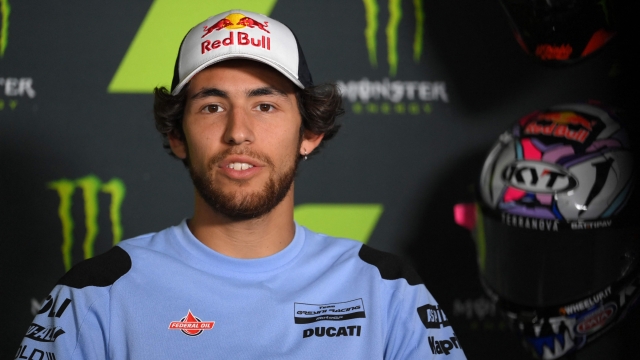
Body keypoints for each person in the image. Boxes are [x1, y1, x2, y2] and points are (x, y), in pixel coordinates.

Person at [18, 9, 466, 359]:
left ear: (309, 133)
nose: (238, 132)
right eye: (212, 107)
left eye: (265, 106)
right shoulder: (97, 294)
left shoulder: (385, 289)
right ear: (177, 136)